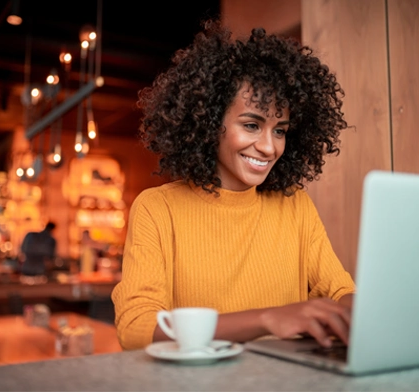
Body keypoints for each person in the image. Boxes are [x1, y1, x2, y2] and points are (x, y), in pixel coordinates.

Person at [111, 19, 355, 351]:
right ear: (210, 123)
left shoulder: (294, 205)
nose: (270, 147)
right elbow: (136, 328)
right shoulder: (158, 209)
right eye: (252, 125)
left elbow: (341, 293)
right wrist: (267, 319)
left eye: (280, 130)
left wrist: (361, 312)